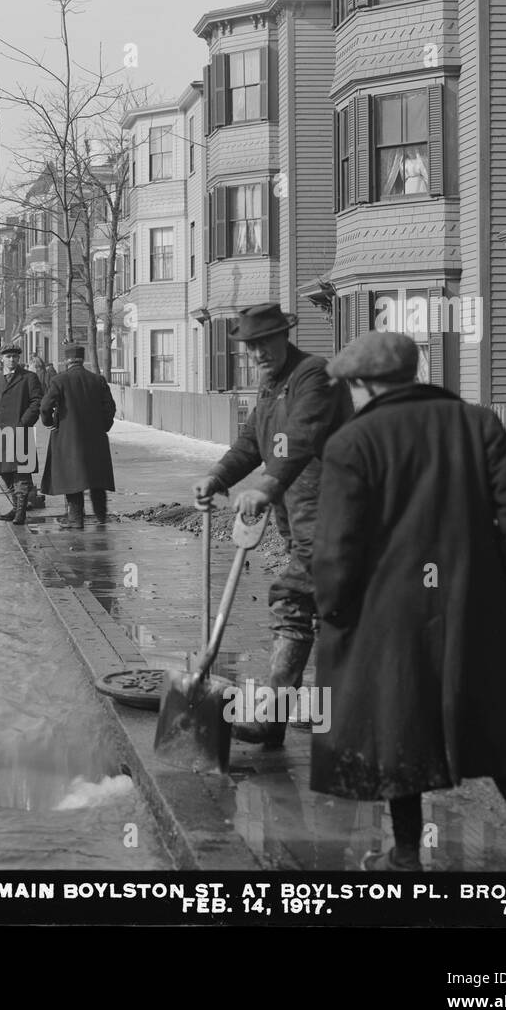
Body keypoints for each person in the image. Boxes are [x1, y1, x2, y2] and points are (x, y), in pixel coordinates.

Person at [310, 330, 506, 873]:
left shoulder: (351, 443)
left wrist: (334, 609)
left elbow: (337, 545)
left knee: (399, 724)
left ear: (364, 385)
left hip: (387, 616)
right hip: (475, 606)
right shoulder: (477, 423)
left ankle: (406, 856)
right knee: (497, 726)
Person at [192, 302, 353, 747]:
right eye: (251, 346)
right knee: (330, 612)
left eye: (265, 342)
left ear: (285, 336)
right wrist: (218, 477)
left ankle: (275, 720)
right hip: (302, 519)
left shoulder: (314, 376)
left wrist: (266, 485)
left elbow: (302, 437)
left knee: (293, 601)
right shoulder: (270, 386)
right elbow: (251, 441)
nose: (258, 353)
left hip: (338, 516)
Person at [39, 343, 116, 530]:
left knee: (73, 481)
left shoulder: (59, 380)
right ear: (82, 360)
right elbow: (110, 407)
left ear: (67, 361)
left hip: (68, 439)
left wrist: (50, 423)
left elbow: (45, 407)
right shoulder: (98, 380)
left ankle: (76, 520)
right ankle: (101, 517)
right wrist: (103, 427)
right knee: (97, 480)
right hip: (96, 439)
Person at [0, 344, 43, 525]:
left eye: (15, 357)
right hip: (0, 433)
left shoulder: (29, 378)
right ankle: (15, 506)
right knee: (5, 472)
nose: (12, 360)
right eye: (8, 356)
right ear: (2, 358)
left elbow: (36, 402)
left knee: (21, 473)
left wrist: (23, 423)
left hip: (20, 432)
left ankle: (21, 512)